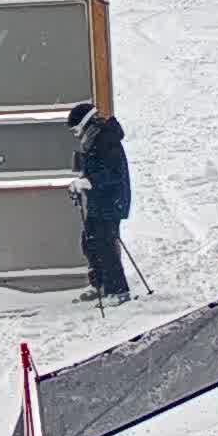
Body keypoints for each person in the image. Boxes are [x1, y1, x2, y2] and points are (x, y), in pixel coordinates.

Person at [68, 100, 131, 305]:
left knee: (105, 244)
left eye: (75, 130)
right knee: (90, 241)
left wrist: (88, 182)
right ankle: (100, 284)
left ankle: (119, 291)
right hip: (100, 200)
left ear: (85, 124)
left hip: (112, 201)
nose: (75, 135)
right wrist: (80, 184)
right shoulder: (93, 139)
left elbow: (114, 173)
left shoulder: (106, 139)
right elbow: (94, 169)